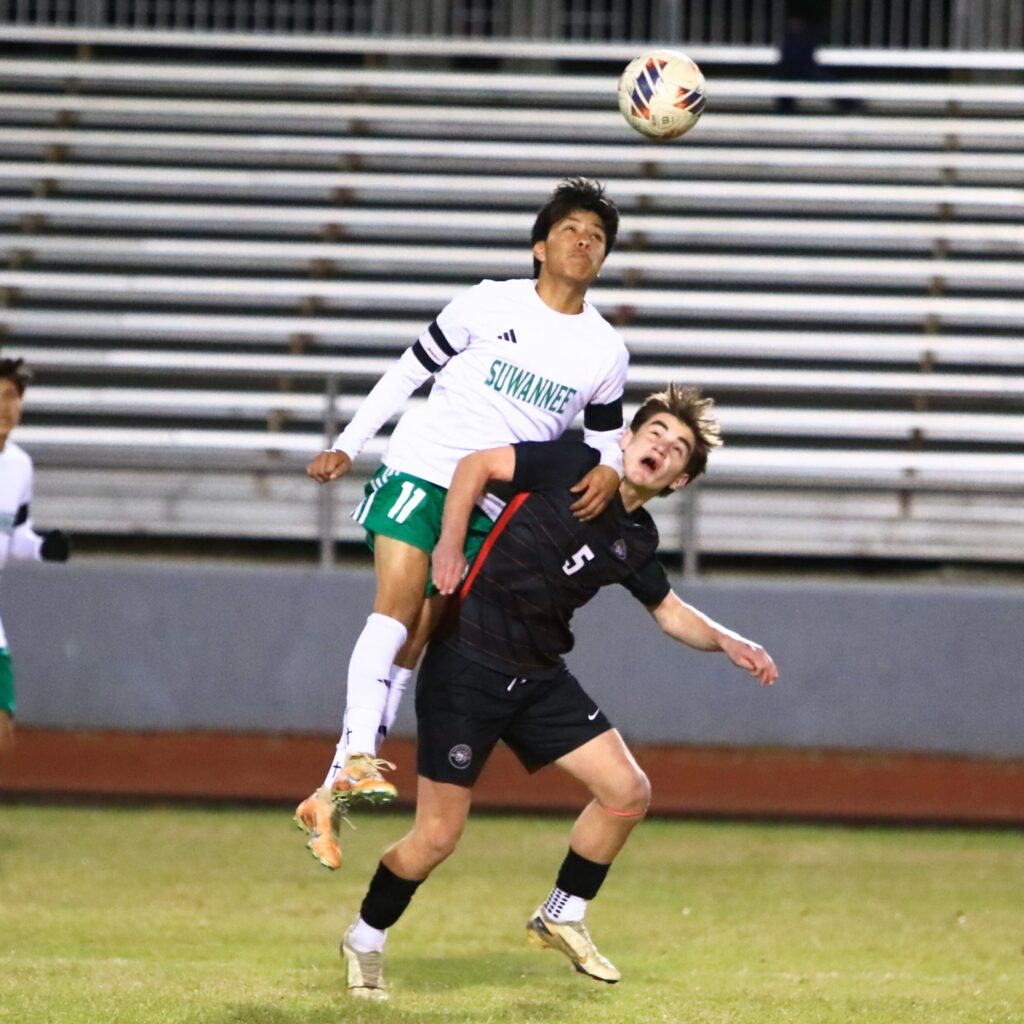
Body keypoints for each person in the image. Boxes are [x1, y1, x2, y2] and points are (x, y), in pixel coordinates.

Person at [338, 385, 778, 999]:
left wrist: (731, 642)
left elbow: (670, 611)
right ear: (626, 438)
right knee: (436, 839)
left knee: (627, 792)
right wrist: (447, 542)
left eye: (678, 449)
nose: (663, 447)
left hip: (539, 677)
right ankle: (365, 937)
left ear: (678, 481)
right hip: (466, 666)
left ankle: (562, 912)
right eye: (655, 434)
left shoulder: (637, 539)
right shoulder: (572, 464)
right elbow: (477, 466)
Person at [295, 178, 631, 871]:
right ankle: (359, 753)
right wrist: (348, 443)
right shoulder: (487, 302)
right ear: (540, 246)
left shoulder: (605, 352)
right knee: (396, 602)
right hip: (423, 470)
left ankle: (330, 791)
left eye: (596, 236)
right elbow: (406, 373)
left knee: (417, 640)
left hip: (486, 510)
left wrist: (610, 470)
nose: (583, 241)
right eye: (571, 229)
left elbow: (606, 441)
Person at [0, 358, 70, 770]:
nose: (4, 406)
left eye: (10, 396)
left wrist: (44, 548)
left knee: (3, 725)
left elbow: (15, 537)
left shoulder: (20, 466)